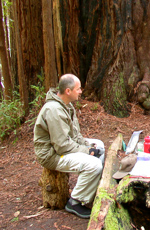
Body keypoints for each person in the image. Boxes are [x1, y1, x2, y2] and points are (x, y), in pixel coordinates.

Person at [34, 74, 105, 218]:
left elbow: (75, 134)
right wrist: (87, 151)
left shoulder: (66, 105)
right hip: (52, 155)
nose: (80, 92)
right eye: (78, 89)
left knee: (100, 145)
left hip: (61, 147)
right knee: (94, 165)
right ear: (68, 91)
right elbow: (62, 146)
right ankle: (75, 202)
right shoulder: (54, 110)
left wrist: (89, 146)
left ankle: (93, 189)